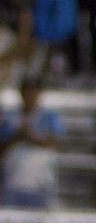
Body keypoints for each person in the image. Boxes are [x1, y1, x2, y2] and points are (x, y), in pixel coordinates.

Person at [0, 75, 63, 207]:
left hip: (40, 181)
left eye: (34, 92)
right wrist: (17, 137)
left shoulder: (50, 117)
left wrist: (31, 136)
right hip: (13, 180)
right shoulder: (9, 117)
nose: (30, 96)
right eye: (27, 92)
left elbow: (54, 143)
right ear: (21, 93)